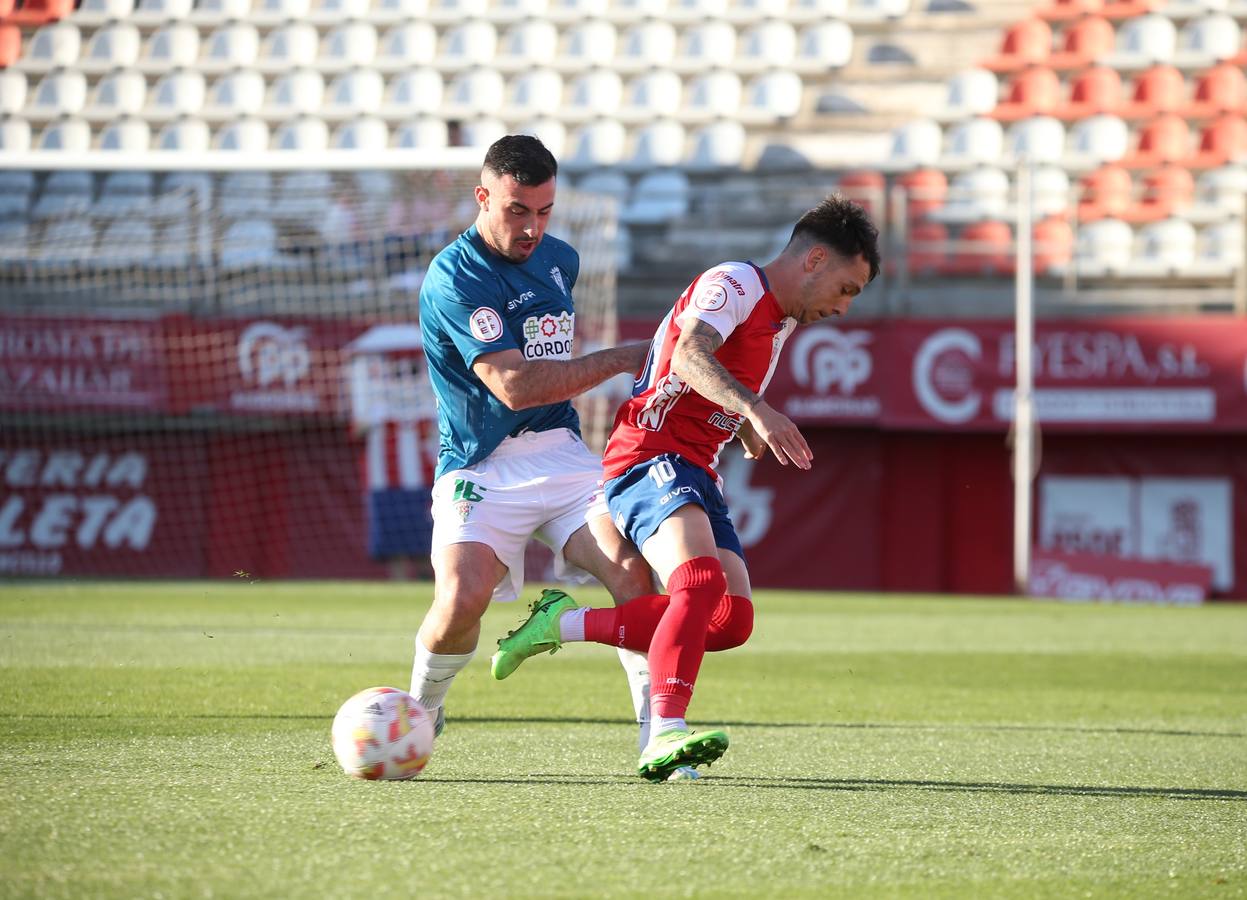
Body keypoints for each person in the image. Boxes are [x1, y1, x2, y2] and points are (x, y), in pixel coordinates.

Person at [491, 195, 881, 781]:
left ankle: (558, 624)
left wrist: (745, 425)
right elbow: (689, 357)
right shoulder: (734, 283)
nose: (845, 307)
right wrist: (757, 410)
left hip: (696, 466)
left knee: (730, 620)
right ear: (815, 260)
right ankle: (663, 734)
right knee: (696, 582)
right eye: (847, 289)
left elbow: (715, 388)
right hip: (648, 453)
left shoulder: (779, 320)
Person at [410, 134, 657, 742]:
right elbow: (515, 387)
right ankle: (420, 710)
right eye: (517, 210)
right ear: (483, 196)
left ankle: (663, 733)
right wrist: (623, 358)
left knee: (632, 572)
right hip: (478, 464)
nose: (532, 228)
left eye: (544, 211)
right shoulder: (453, 277)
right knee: (462, 600)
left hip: (562, 454)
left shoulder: (560, 260)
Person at [346, 324, 438, 581]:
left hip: (424, 479)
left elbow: (436, 435)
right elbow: (356, 432)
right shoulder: (370, 402)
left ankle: (431, 590)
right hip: (384, 481)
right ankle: (400, 590)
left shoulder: (429, 398)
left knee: (427, 545)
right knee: (393, 547)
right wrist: (376, 417)